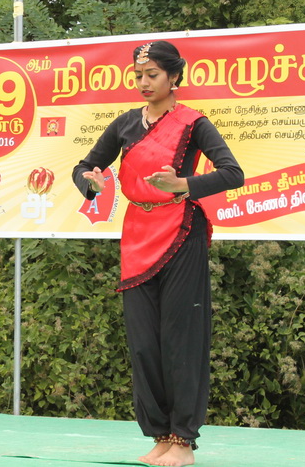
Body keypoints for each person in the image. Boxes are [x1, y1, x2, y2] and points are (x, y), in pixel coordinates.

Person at [72, 41, 243, 467]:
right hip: (137, 234)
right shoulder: (126, 124)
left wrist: (184, 184)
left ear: (174, 76)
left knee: (180, 339)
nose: (144, 82)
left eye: (152, 74)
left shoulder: (193, 123)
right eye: (138, 75)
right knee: (144, 343)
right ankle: (161, 434)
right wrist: (90, 182)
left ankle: (183, 440)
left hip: (181, 231)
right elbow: (84, 167)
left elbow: (232, 173)